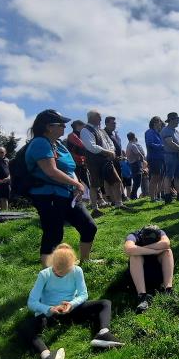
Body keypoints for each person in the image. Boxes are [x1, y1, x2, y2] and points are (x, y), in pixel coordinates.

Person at [18, 243, 123, 359]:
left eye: (64, 271)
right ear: (52, 263)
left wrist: (72, 304)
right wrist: (49, 308)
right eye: (56, 270)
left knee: (105, 303)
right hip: (49, 315)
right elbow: (31, 302)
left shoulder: (77, 270)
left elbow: (83, 294)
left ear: (71, 265)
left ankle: (103, 333)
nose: (59, 273)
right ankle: (47, 355)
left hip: (71, 310)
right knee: (24, 328)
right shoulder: (44, 275)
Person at [26, 109, 98, 267]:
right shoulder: (39, 143)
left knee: (89, 226)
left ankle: (85, 261)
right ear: (49, 127)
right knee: (53, 234)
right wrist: (77, 184)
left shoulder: (58, 144)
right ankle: (49, 274)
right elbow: (50, 171)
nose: (65, 127)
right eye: (61, 124)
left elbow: (70, 168)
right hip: (48, 196)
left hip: (68, 194)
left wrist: (76, 184)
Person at [124, 225, 175, 313]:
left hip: (157, 270)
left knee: (167, 251)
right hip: (140, 273)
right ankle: (142, 296)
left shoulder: (161, 232)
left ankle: (168, 289)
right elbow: (129, 249)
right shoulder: (134, 236)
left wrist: (139, 249)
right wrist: (154, 251)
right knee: (135, 256)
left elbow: (166, 243)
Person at [80, 111, 122, 215]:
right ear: (92, 117)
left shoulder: (101, 131)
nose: (100, 119)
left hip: (106, 160)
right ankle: (95, 208)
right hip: (94, 161)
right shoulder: (85, 130)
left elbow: (110, 143)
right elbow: (91, 146)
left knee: (116, 181)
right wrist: (108, 152)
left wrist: (111, 151)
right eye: (99, 117)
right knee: (95, 185)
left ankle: (119, 204)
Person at [161, 112, 179, 203]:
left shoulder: (177, 132)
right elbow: (170, 143)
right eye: (177, 119)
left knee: (178, 176)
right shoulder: (166, 130)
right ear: (171, 120)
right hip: (170, 155)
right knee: (169, 176)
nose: (178, 121)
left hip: (178, 156)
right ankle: (167, 195)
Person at [102, 116, 127, 204]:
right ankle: (112, 200)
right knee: (111, 181)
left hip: (116, 160)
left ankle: (118, 198)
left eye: (115, 123)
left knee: (118, 179)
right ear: (106, 123)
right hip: (109, 160)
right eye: (113, 123)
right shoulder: (103, 133)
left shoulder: (112, 134)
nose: (115, 125)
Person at [66, 120, 91, 198]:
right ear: (78, 126)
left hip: (82, 162)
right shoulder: (72, 135)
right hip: (74, 162)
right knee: (77, 181)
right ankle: (78, 200)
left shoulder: (79, 135)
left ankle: (97, 199)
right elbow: (82, 146)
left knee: (88, 181)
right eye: (83, 126)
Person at [145, 116, 166, 203]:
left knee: (158, 178)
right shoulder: (150, 132)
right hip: (154, 158)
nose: (160, 123)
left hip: (160, 158)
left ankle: (157, 196)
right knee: (154, 177)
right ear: (154, 123)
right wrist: (162, 146)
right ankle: (152, 198)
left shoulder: (157, 133)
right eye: (159, 122)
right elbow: (150, 144)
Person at [125, 132, 145, 200]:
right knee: (137, 182)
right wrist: (142, 160)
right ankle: (133, 195)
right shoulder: (133, 145)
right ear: (134, 137)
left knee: (136, 181)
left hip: (132, 164)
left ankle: (134, 195)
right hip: (136, 164)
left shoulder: (128, 145)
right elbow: (139, 154)